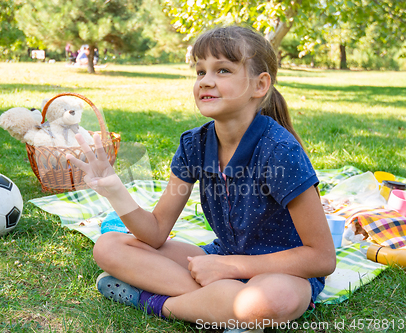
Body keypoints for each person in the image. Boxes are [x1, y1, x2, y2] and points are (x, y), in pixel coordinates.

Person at [67, 26, 336, 332]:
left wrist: (231, 267)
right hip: (219, 260)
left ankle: (156, 303)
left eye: (223, 70)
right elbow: (155, 233)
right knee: (108, 246)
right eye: (200, 71)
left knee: (267, 302)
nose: (206, 81)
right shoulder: (194, 145)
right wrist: (114, 189)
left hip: (283, 272)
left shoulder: (280, 151)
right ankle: (223, 308)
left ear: (260, 85)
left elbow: (322, 258)